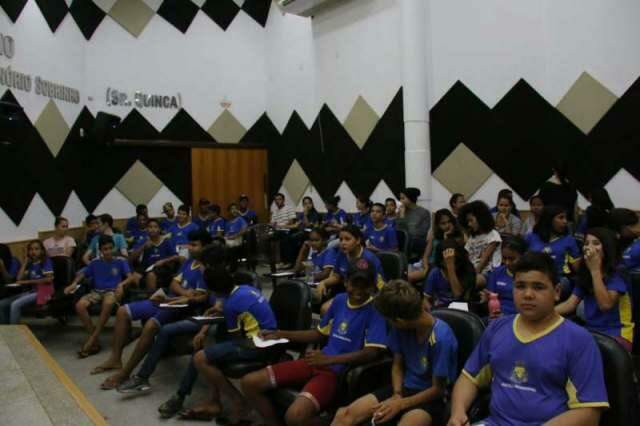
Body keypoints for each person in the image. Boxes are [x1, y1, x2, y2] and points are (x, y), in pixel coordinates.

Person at [448, 252, 609, 426]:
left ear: (556, 292)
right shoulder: (497, 328)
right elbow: (469, 378)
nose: (528, 295)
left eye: (538, 287)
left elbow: (589, 413)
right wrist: (457, 412)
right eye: (520, 286)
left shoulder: (579, 340)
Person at [241, 258, 388, 426]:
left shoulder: (376, 310)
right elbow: (318, 334)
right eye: (355, 283)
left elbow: (372, 352)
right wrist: (279, 333)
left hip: (337, 372)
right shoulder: (339, 301)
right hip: (316, 360)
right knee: (250, 382)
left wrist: (329, 360)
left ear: (373, 286)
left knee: (295, 416)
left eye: (365, 285)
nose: (360, 290)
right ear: (346, 282)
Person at [93, 229, 212, 389]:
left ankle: (125, 373)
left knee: (150, 325)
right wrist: (183, 292)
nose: (189, 248)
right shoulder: (188, 263)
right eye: (189, 244)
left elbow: (197, 297)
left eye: (194, 245)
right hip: (167, 299)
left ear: (205, 247)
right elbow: (173, 284)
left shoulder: (206, 269)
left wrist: (180, 295)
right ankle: (115, 359)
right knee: (123, 311)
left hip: (182, 307)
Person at [333, 280, 458, 426]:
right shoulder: (401, 328)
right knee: (345, 415)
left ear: (399, 320)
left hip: (430, 398)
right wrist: (397, 395)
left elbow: (438, 389)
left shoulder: (442, 338)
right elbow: (397, 364)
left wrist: (401, 404)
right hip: (403, 389)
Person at [168, 258, 278, 422]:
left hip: (256, 345)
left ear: (215, 291)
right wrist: (220, 310)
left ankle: (238, 401)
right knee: (211, 348)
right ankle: (213, 402)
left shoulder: (230, 304)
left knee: (201, 357)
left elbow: (235, 336)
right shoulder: (245, 288)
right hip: (270, 336)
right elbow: (242, 311)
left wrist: (220, 315)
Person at [556, 228, 634, 351]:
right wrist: (544, 313)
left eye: (596, 243)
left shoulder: (618, 271)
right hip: (591, 332)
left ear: (607, 247)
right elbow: (570, 304)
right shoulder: (586, 273)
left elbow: (605, 305)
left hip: (617, 334)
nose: (589, 247)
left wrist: (595, 270)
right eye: (586, 243)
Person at [65, 235, 134, 358]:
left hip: (112, 291)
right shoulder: (95, 262)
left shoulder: (120, 261)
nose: (108, 251)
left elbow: (130, 277)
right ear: (100, 250)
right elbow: (82, 273)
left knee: (108, 303)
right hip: (96, 291)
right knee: (79, 305)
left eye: (110, 248)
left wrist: (121, 284)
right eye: (105, 249)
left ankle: (92, 340)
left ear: (114, 248)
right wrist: (73, 284)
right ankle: (95, 340)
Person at [316, 225, 385, 302]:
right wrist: (323, 283)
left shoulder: (369, 259)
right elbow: (336, 276)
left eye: (347, 239)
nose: (343, 243)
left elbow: (378, 287)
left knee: (325, 309)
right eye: (341, 239)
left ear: (358, 240)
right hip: (347, 292)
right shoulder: (341, 253)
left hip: (365, 295)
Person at [0, 240, 54, 324]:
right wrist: (25, 263)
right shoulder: (31, 263)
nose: (33, 252)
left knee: (15, 305)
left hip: (44, 291)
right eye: (31, 249)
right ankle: (5, 329)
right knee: (2, 304)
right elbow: (19, 278)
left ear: (42, 251)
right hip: (32, 291)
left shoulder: (46, 261)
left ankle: (15, 332)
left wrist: (27, 282)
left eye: (36, 249)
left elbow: (49, 279)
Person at [525, 206, 581, 286]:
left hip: (559, 279)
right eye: (561, 218)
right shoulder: (531, 237)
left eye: (566, 218)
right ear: (549, 219)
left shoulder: (569, 240)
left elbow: (577, 268)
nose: (565, 221)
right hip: (533, 276)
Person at [479, 236, 528, 318]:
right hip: (496, 317)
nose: (507, 263)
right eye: (504, 258)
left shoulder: (530, 276)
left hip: (520, 318)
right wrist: (486, 300)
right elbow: (491, 299)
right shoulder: (497, 273)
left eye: (512, 259)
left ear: (523, 256)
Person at [424, 240, 477, 308]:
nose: (450, 261)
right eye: (446, 260)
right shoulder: (435, 272)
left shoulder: (467, 269)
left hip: (462, 308)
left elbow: (458, 295)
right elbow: (425, 299)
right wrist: (432, 312)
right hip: (440, 309)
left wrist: (450, 268)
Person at [129, 219, 176, 290]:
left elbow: (175, 256)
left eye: (155, 227)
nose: (152, 229)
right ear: (147, 229)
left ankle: (151, 297)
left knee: (151, 275)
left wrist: (164, 261)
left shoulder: (166, 242)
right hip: (146, 267)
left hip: (162, 267)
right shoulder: (144, 241)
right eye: (150, 227)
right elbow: (132, 257)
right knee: (134, 276)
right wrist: (143, 247)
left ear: (159, 229)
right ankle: (144, 296)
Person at [459, 201, 502, 274]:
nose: (469, 224)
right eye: (467, 221)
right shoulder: (473, 237)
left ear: (481, 218)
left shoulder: (493, 235)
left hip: (488, 272)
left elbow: (484, 260)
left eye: (471, 220)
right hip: (473, 271)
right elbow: (466, 256)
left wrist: (472, 276)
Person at [397, 187, 431, 258]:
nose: (401, 201)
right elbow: (399, 231)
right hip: (402, 243)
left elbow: (421, 233)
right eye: (400, 198)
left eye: (403, 198)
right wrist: (402, 215)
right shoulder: (400, 212)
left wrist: (407, 231)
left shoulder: (424, 212)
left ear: (410, 198)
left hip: (416, 243)